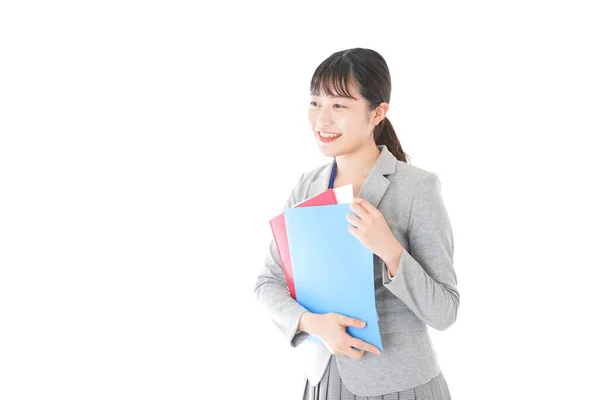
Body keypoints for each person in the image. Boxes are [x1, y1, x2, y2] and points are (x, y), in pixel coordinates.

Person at [253, 48, 459, 399]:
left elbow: (445, 311)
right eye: (316, 103)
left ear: (377, 112)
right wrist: (312, 323)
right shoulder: (307, 186)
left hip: (401, 386)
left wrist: (390, 250)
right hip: (324, 382)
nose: (322, 119)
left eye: (339, 106)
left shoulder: (416, 188)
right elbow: (267, 284)